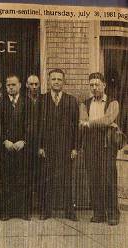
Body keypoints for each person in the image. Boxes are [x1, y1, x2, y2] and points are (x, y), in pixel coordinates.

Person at [79, 72, 121, 225]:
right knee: (94, 179)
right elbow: (82, 120)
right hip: (90, 145)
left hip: (107, 145)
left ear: (104, 85)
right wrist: (99, 122)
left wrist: (90, 123)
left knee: (109, 179)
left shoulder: (113, 102)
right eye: (91, 85)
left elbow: (109, 119)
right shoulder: (85, 103)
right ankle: (98, 214)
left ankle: (113, 215)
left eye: (97, 84)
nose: (94, 88)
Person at [38, 68, 79, 221]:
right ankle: (46, 211)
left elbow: (76, 126)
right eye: (53, 79)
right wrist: (40, 146)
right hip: (48, 147)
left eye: (59, 79)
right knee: (47, 179)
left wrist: (75, 147)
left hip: (66, 147)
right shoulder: (42, 100)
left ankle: (69, 211)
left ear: (64, 82)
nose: (56, 82)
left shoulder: (71, 100)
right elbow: (38, 126)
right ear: (49, 81)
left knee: (66, 180)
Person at [0, 74, 31, 221]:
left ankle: (22, 211)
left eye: (13, 85)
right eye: (8, 85)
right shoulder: (0, 104)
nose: (10, 87)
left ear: (20, 85)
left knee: (22, 179)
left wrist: (24, 140)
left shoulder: (28, 103)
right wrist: (4, 140)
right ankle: (7, 211)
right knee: (6, 179)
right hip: (6, 148)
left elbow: (31, 125)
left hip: (22, 148)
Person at [25, 74, 42, 213]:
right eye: (31, 84)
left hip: (40, 142)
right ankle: (28, 205)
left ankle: (40, 206)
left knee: (40, 174)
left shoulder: (44, 100)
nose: (34, 87)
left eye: (36, 84)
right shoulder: (23, 100)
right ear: (26, 85)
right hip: (26, 143)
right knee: (27, 174)